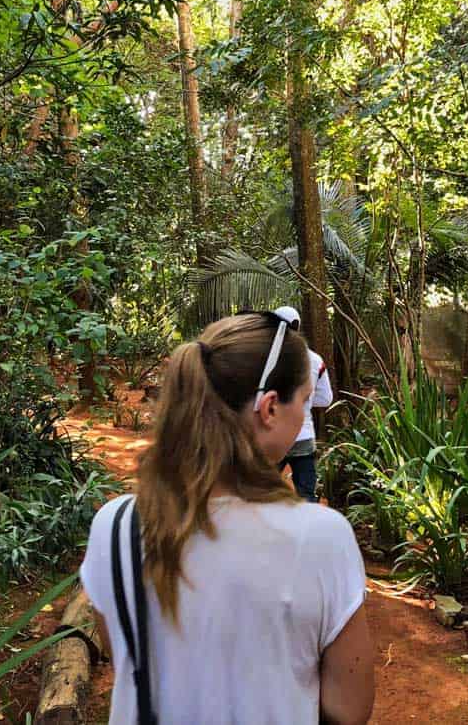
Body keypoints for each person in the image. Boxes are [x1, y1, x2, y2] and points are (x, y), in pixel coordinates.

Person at [79, 311, 375, 725]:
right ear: (270, 407)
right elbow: (348, 709)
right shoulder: (322, 537)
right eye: (304, 401)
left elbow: (128, 657)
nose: (304, 415)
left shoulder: (116, 526)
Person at [273, 306, 332, 503]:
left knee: (262, 494)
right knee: (306, 495)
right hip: (304, 435)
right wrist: (304, 401)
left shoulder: (265, 358)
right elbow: (326, 399)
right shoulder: (315, 360)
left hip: (273, 437)